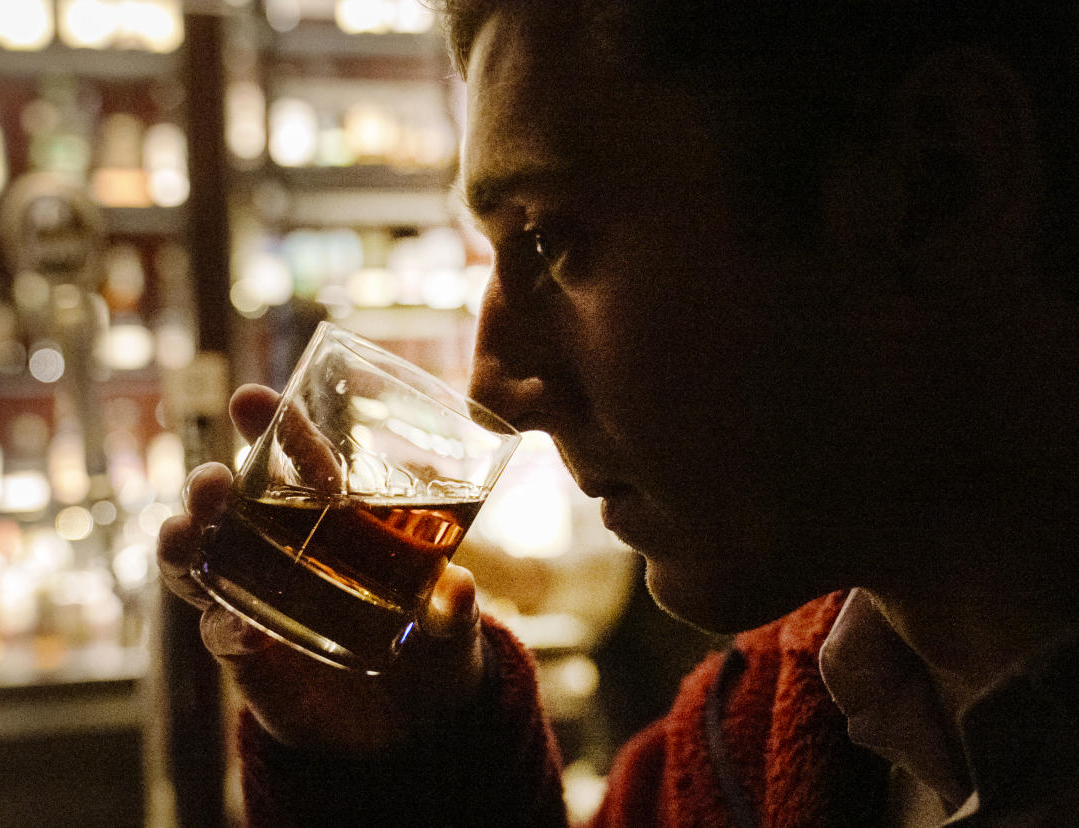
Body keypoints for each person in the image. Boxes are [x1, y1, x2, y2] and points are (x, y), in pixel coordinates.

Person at [157, 3, 1079, 825]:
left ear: (937, 178)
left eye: (553, 237)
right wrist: (402, 765)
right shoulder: (731, 755)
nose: (492, 383)